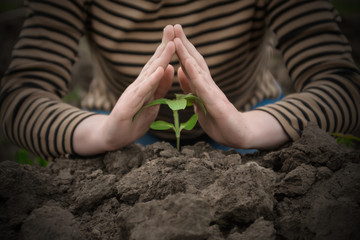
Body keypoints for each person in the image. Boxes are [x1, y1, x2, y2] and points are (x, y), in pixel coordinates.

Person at [1, 0, 359, 160]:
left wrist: (250, 128)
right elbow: (20, 99)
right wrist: (100, 134)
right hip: (111, 127)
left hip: (254, 115)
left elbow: (343, 87)